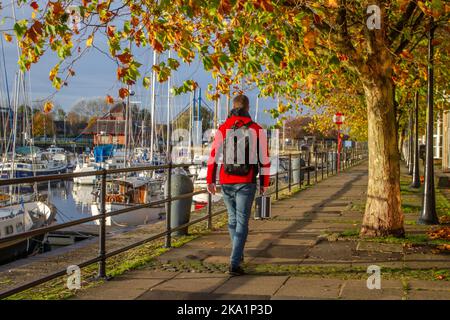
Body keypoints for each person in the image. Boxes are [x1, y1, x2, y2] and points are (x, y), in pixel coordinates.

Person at [206, 94, 270, 276]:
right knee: (242, 222)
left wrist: (210, 180)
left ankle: (237, 253)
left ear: (233, 107)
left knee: (232, 220)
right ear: (248, 108)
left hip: (226, 181)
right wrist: (264, 183)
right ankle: (235, 262)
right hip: (246, 181)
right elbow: (264, 160)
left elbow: (213, 157)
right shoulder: (257, 129)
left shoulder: (223, 128)